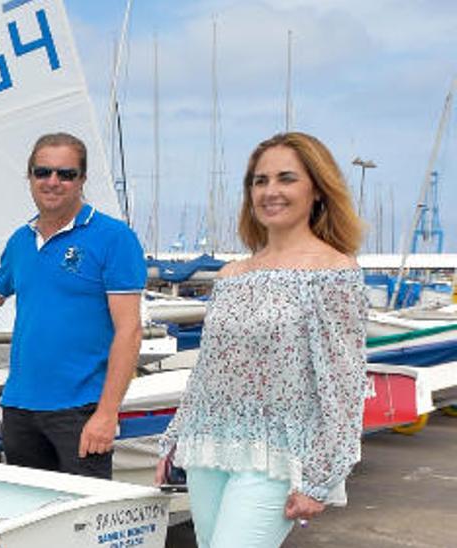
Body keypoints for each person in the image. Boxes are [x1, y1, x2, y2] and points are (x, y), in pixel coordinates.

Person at [156, 132, 368, 547]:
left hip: (276, 455)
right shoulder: (232, 275)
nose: (270, 191)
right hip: (208, 447)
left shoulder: (334, 273)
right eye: (260, 180)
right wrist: (173, 441)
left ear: (318, 191)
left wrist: (321, 477)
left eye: (286, 179)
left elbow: (343, 385)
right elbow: (207, 372)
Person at [0, 132, 145, 479]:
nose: (53, 182)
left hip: (80, 410)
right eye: (43, 172)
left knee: (79, 523)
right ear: (30, 177)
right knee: (30, 518)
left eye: (66, 174)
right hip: (19, 408)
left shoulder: (114, 238)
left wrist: (107, 413)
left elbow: (129, 331)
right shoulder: (21, 241)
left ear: (82, 179)